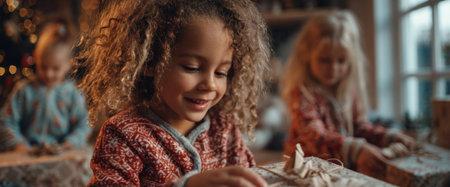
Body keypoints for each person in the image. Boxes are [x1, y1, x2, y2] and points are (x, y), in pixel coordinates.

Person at [74, 0, 270, 186]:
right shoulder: (124, 134)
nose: (210, 84)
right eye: (192, 68)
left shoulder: (224, 130)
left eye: (221, 73)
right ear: (151, 62)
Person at [280, 10, 415, 180]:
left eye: (341, 60)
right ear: (306, 54)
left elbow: (359, 127)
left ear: (351, 59)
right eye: (324, 60)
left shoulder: (348, 90)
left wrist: (388, 136)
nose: (333, 68)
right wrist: (356, 149)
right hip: (306, 173)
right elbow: (314, 136)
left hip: (339, 172)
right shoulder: (303, 93)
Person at [0, 20, 91, 152]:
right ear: (36, 58)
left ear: (68, 64)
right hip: (28, 154)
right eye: (43, 67)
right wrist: (18, 145)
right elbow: (6, 121)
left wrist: (70, 143)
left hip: (62, 153)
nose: (48, 74)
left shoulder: (73, 93)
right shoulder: (23, 90)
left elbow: (84, 124)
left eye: (55, 68)